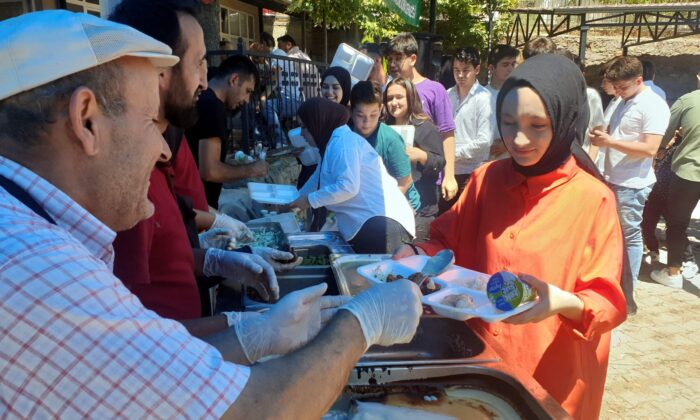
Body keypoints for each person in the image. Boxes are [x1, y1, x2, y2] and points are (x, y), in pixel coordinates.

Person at [0, 11, 423, 418]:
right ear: (86, 120)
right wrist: (360, 323)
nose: (164, 149)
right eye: (150, 122)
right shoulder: (35, 269)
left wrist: (249, 330)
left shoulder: (31, 234)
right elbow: (260, 410)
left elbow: (149, 348)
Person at [393, 54, 627, 419]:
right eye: (508, 122)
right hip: (481, 361)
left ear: (566, 121)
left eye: (538, 125)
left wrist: (562, 302)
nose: (519, 139)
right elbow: (444, 239)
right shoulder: (488, 179)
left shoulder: (592, 198)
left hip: (552, 371)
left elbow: (607, 302)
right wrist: (415, 250)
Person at [590, 56, 671, 314]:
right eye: (616, 87)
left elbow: (650, 148)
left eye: (623, 87)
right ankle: (614, 284)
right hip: (611, 176)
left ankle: (628, 293)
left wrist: (609, 142)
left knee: (629, 237)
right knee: (610, 236)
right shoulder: (622, 99)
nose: (619, 91)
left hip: (631, 183)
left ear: (639, 80)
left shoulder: (653, 106)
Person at [290, 98, 416, 253]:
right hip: (371, 225)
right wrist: (293, 202)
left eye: (304, 127)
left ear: (318, 123)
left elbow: (348, 187)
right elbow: (316, 180)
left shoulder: (343, 143)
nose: (301, 134)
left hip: (382, 225)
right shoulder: (331, 144)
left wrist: (308, 200)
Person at [185, 55, 269, 208]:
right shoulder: (212, 107)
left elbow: (196, 156)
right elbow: (210, 171)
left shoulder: (203, 100)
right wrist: (251, 169)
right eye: (247, 91)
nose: (247, 100)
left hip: (194, 205)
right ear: (234, 79)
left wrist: (227, 160)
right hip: (199, 207)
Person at [386, 33, 458, 204]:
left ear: (412, 59)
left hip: (426, 179)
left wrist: (449, 176)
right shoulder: (388, 91)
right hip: (396, 181)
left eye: (398, 58)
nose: (392, 64)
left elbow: (447, 133)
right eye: (389, 59)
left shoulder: (435, 89)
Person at [650, 88, 700, 287]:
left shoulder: (688, 100)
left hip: (689, 171)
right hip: (689, 171)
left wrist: (659, 149)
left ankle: (673, 273)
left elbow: (665, 130)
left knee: (676, 223)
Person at [385, 77, 446, 241]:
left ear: (410, 97)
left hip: (422, 209)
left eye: (399, 97)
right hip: (392, 207)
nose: (394, 102)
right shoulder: (384, 128)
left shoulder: (425, 126)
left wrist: (421, 155)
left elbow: (440, 162)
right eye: (389, 98)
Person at [350, 81, 421, 211]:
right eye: (360, 115)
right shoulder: (347, 135)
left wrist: (379, 208)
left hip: (400, 205)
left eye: (373, 115)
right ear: (351, 110)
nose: (367, 122)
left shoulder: (391, 140)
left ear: (381, 108)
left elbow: (405, 181)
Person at [442, 46, 493, 214]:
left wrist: (455, 154)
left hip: (471, 172)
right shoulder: (447, 94)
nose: (460, 75)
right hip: (447, 171)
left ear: (477, 69)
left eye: (466, 70)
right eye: (456, 70)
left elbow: (485, 139)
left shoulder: (484, 98)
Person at [296, 66, 352, 189]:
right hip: (312, 176)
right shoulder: (316, 113)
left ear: (345, 88)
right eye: (325, 87)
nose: (329, 92)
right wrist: (302, 152)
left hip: (336, 187)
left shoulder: (352, 120)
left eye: (335, 87)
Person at [485, 44, 519, 160]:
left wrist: (506, 145)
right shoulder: (480, 95)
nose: (510, 68)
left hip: (511, 156)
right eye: (505, 65)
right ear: (492, 68)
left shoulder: (519, 95)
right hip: (484, 158)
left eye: (513, 64)